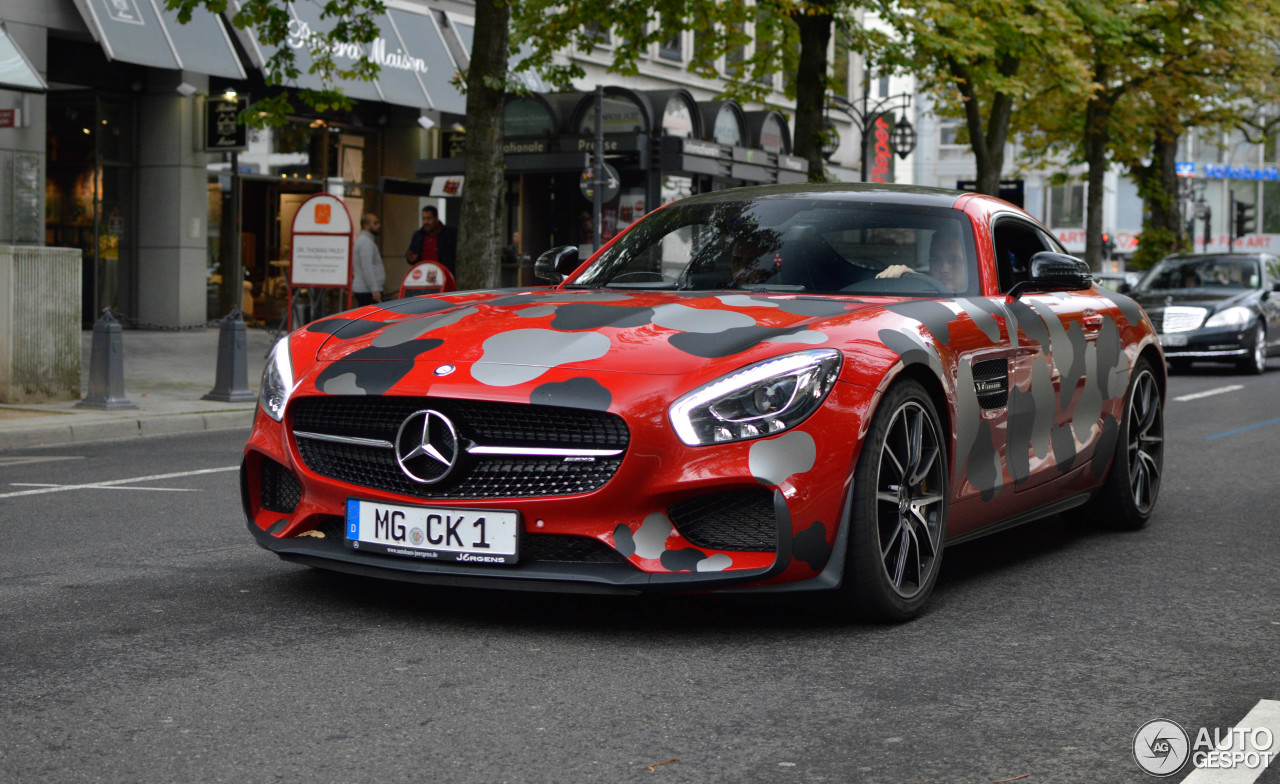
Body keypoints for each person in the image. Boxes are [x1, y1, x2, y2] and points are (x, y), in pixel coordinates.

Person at [876, 232, 970, 293]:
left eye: (954, 261)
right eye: (936, 260)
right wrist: (909, 278)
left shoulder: (978, 305)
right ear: (929, 263)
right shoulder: (919, 296)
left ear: (970, 266)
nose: (944, 269)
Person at [405, 205, 458, 275]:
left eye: (429, 219)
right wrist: (410, 258)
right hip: (423, 276)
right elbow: (413, 256)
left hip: (443, 275)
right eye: (423, 219)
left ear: (436, 219)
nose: (425, 222)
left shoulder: (449, 234)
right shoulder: (418, 235)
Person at [353, 213, 385, 307]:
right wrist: (374, 290)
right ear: (366, 226)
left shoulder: (365, 241)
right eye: (375, 223)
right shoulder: (366, 243)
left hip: (366, 290)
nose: (379, 226)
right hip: (367, 291)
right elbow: (367, 267)